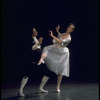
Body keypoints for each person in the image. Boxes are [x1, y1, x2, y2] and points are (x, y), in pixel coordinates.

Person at [37, 23, 75, 92]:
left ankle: (58, 87)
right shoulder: (63, 33)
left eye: (72, 28)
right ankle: (41, 60)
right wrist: (57, 31)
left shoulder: (69, 38)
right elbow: (60, 36)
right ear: (67, 27)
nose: (70, 29)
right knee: (46, 48)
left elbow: (60, 41)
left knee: (60, 70)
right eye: (70, 27)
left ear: (72, 30)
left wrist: (52, 35)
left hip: (63, 53)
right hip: (57, 48)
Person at [18, 28, 55, 97]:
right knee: (27, 74)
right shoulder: (30, 39)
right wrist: (39, 43)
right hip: (32, 59)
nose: (36, 32)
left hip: (38, 59)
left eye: (36, 30)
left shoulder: (36, 38)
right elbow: (31, 48)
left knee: (48, 72)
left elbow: (38, 49)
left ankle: (40, 88)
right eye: (34, 31)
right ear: (31, 33)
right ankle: (20, 91)